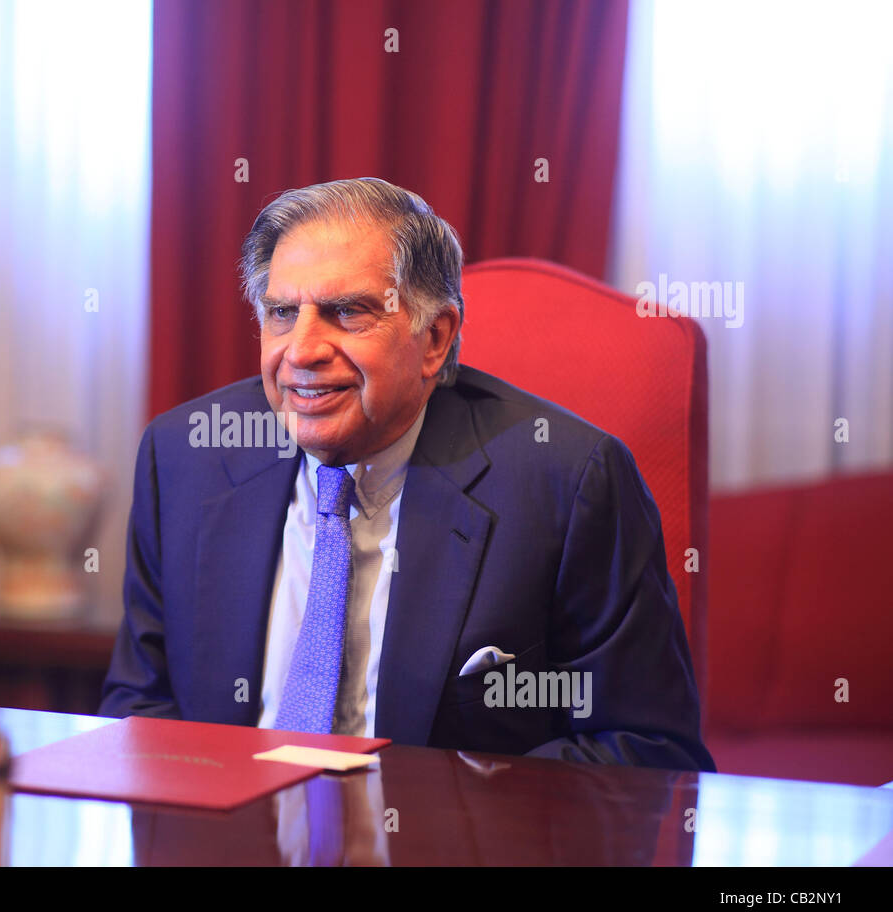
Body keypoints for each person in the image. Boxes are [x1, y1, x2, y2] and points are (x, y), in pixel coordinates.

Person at [100, 177, 714, 771]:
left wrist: (419, 823)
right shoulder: (184, 459)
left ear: (435, 339)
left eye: (346, 313)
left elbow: (645, 750)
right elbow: (141, 711)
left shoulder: (569, 483)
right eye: (282, 312)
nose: (303, 350)